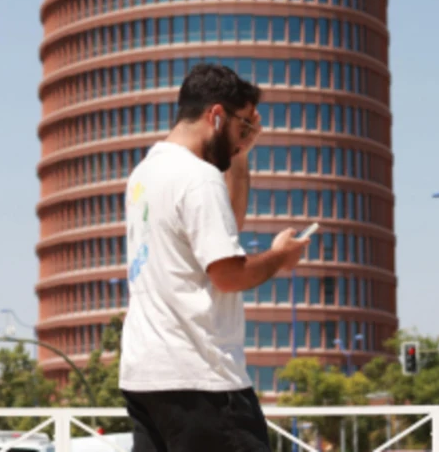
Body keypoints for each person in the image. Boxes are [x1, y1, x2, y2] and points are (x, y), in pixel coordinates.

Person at [119, 62, 310, 452]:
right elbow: (227, 274)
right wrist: (279, 258)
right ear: (216, 116)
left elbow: (225, 230)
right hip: (201, 379)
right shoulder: (197, 177)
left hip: (146, 378)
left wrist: (239, 156)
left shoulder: (145, 173)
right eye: (243, 127)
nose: (244, 139)